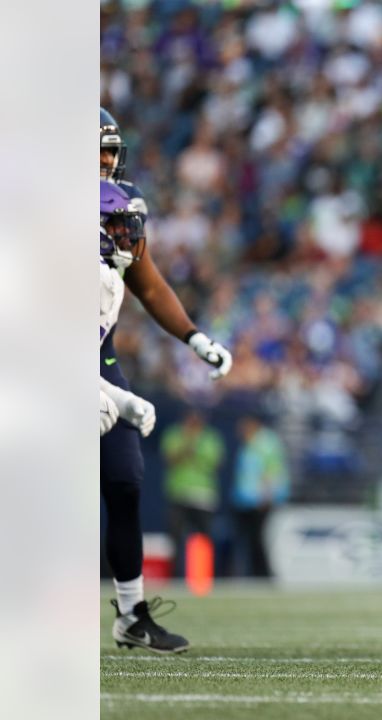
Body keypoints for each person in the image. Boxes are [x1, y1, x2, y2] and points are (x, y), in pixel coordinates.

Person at [99, 178, 181, 653]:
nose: (127, 236)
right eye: (115, 225)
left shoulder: (105, 269)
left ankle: (132, 614)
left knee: (126, 478)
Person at [161, 410, 224, 574]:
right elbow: (170, 458)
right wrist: (187, 446)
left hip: (203, 494)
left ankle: (202, 575)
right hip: (179, 493)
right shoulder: (174, 434)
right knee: (175, 537)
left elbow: (215, 462)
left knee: (203, 538)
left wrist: (195, 450)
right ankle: (174, 575)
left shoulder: (210, 437)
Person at [231, 414, 289, 578]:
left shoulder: (265, 443)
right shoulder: (250, 443)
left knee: (260, 539)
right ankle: (254, 573)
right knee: (251, 540)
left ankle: (264, 575)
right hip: (247, 501)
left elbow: (271, 471)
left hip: (260, 500)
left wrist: (267, 495)